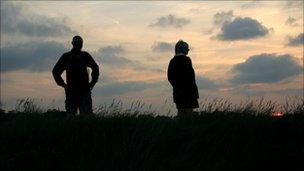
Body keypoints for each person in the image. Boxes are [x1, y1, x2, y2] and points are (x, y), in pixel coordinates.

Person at [52, 36, 99, 117]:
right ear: (73, 44)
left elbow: (95, 68)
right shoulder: (67, 56)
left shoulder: (84, 55)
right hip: (74, 91)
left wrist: (92, 82)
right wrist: (64, 85)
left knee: (84, 116)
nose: (79, 45)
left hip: (81, 90)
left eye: (80, 43)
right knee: (75, 116)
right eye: (78, 43)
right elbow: (55, 71)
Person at [167, 40, 199, 117]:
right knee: (188, 114)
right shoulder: (187, 60)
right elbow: (190, 78)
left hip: (178, 92)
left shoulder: (172, 61)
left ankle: (181, 128)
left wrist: (177, 87)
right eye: (187, 48)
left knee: (181, 113)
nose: (188, 50)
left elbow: (170, 77)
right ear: (183, 49)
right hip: (189, 92)